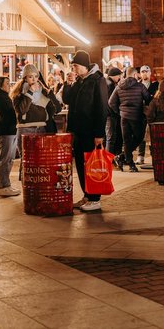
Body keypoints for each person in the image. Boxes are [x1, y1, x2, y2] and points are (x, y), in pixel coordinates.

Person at [63, 50, 108, 212]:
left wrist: (99, 133)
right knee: (81, 165)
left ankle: (95, 198)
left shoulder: (98, 80)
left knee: (92, 165)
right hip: (77, 131)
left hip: (91, 131)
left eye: (75, 66)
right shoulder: (79, 81)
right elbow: (67, 100)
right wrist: (68, 84)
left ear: (84, 65)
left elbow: (102, 108)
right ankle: (87, 195)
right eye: (73, 66)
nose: (73, 69)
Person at [12, 64, 61, 179]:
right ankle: (27, 188)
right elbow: (22, 110)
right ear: (24, 78)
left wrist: (51, 95)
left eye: (36, 76)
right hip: (26, 129)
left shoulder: (43, 92)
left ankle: (38, 187)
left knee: (41, 160)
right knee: (27, 161)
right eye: (30, 76)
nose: (34, 79)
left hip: (42, 129)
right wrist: (30, 93)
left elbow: (56, 109)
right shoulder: (18, 94)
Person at [109, 66, 150, 172]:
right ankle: (123, 158)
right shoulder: (140, 86)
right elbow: (148, 99)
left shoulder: (119, 86)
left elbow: (111, 102)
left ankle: (129, 163)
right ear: (135, 75)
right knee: (139, 137)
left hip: (124, 117)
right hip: (137, 117)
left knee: (127, 141)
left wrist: (120, 112)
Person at [0, 77, 20, 197]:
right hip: (5, 132)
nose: (9, 85)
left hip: (10, 131)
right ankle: (3, 186)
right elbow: (3, 117)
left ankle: (7, 185)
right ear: (0, 85)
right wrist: (15, 116)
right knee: (5, 160)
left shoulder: (5, 97)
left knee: (10, 159)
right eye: (7, 83)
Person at [104, 67, 123, 160]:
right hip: (111, 114)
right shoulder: (111, 85)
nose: (119, 77)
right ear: (115, 76)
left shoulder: (105, 83)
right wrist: (117, 112)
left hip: (106, 113)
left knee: (109, 137)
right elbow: (111, 102)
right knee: (110, 137)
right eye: (119, 75)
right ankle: (108, 159)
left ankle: (108, 158)